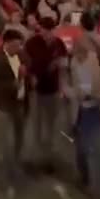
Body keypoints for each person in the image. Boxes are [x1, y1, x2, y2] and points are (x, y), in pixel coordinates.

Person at [65, 32, 100, 199]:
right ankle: (85, 178)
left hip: (96, 109)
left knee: (97, 149)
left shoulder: (96, 59)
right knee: (82, 149)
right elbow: (65, 86)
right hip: (79, 111)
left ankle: (98, 186)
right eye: (78, 48)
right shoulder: (70, 63)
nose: (82, 51)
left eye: (85, 47)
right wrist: (74, 94)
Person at [0, 28, 30, 198]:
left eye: (20, 45)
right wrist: (16, 81)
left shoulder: (22, 55)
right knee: (8, 144)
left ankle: (16, 166)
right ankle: (8, 181)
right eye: (16, 45)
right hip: (6, 107)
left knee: (19, 140)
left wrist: (29, 77)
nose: (18, 48)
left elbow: (29, 65)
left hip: (22, 104)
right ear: (7, 43)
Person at [24, 15, 67, 176]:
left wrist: (62, 87)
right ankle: (34, 160)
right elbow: (23, 62)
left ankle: (48, 160)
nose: (45, 34)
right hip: (36, 91)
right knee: (36, 126)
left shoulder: (59, 45)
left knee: (52, 127)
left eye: (48, 31)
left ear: (53, 30)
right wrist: (29, 76)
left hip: (53, 90)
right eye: (42, 31)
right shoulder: (32, 43)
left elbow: (63, 67)